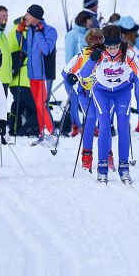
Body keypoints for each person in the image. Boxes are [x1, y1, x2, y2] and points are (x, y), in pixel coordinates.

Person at [71, 24, 139, 184]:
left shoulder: (127, 53)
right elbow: (84, 74)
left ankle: (124, 167)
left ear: (120, 43)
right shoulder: (99, 54)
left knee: (123, 126)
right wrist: (92, 60)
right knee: (104, 125)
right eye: (109, 47)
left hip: (122, 92)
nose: (113, 50)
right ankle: (102, 167)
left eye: (115, 47)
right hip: (102, 92)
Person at [15, 4, 57, 145]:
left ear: (36, 17)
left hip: (45, 75)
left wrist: (39, 33)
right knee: (38, 106)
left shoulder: (50, 30)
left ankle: (50, 134)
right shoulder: (31, 30)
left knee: (43, 105)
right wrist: (19, 33)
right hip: (33, 75)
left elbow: (46, 50)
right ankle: (43, 133)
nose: (25, 17)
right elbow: (26, 48)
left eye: (28, 15)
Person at [62, 28, 103, 171]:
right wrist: (71, 77)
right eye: (94, 38)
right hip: (86, 93)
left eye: (100, 38)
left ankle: (107, 153)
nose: (97, 41)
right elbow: (65, 71)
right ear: (89, 40)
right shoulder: (83, 54)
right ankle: (87, 154)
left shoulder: (107, 54)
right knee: (91, 118)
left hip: (103, 94)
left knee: (105, 121)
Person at [62, 11, 92, 136]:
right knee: (74, 101)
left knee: (85, 101)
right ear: (84, 20)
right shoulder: (72, 34)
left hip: (86, 76)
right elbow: (69, 56)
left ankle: (88, 125)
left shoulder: (87, 34)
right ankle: (77, 126)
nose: (91, 22)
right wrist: (73, 73)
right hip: (73, 75)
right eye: (90, 20)